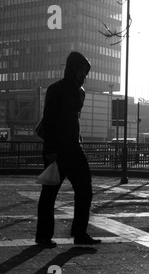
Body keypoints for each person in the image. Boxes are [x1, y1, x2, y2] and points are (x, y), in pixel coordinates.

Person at [35, 51, 101, 248]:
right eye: (82, 71)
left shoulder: (77, 91)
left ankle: (77, 233)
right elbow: (50, 120)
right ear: (73, 69)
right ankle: (46, 235)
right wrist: (50, 150)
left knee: (84, 189)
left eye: (85, 72)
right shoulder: (56, 90)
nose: (84, 75)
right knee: (50, 193)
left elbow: (72, 121)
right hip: (58, 148)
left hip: (72, 147)